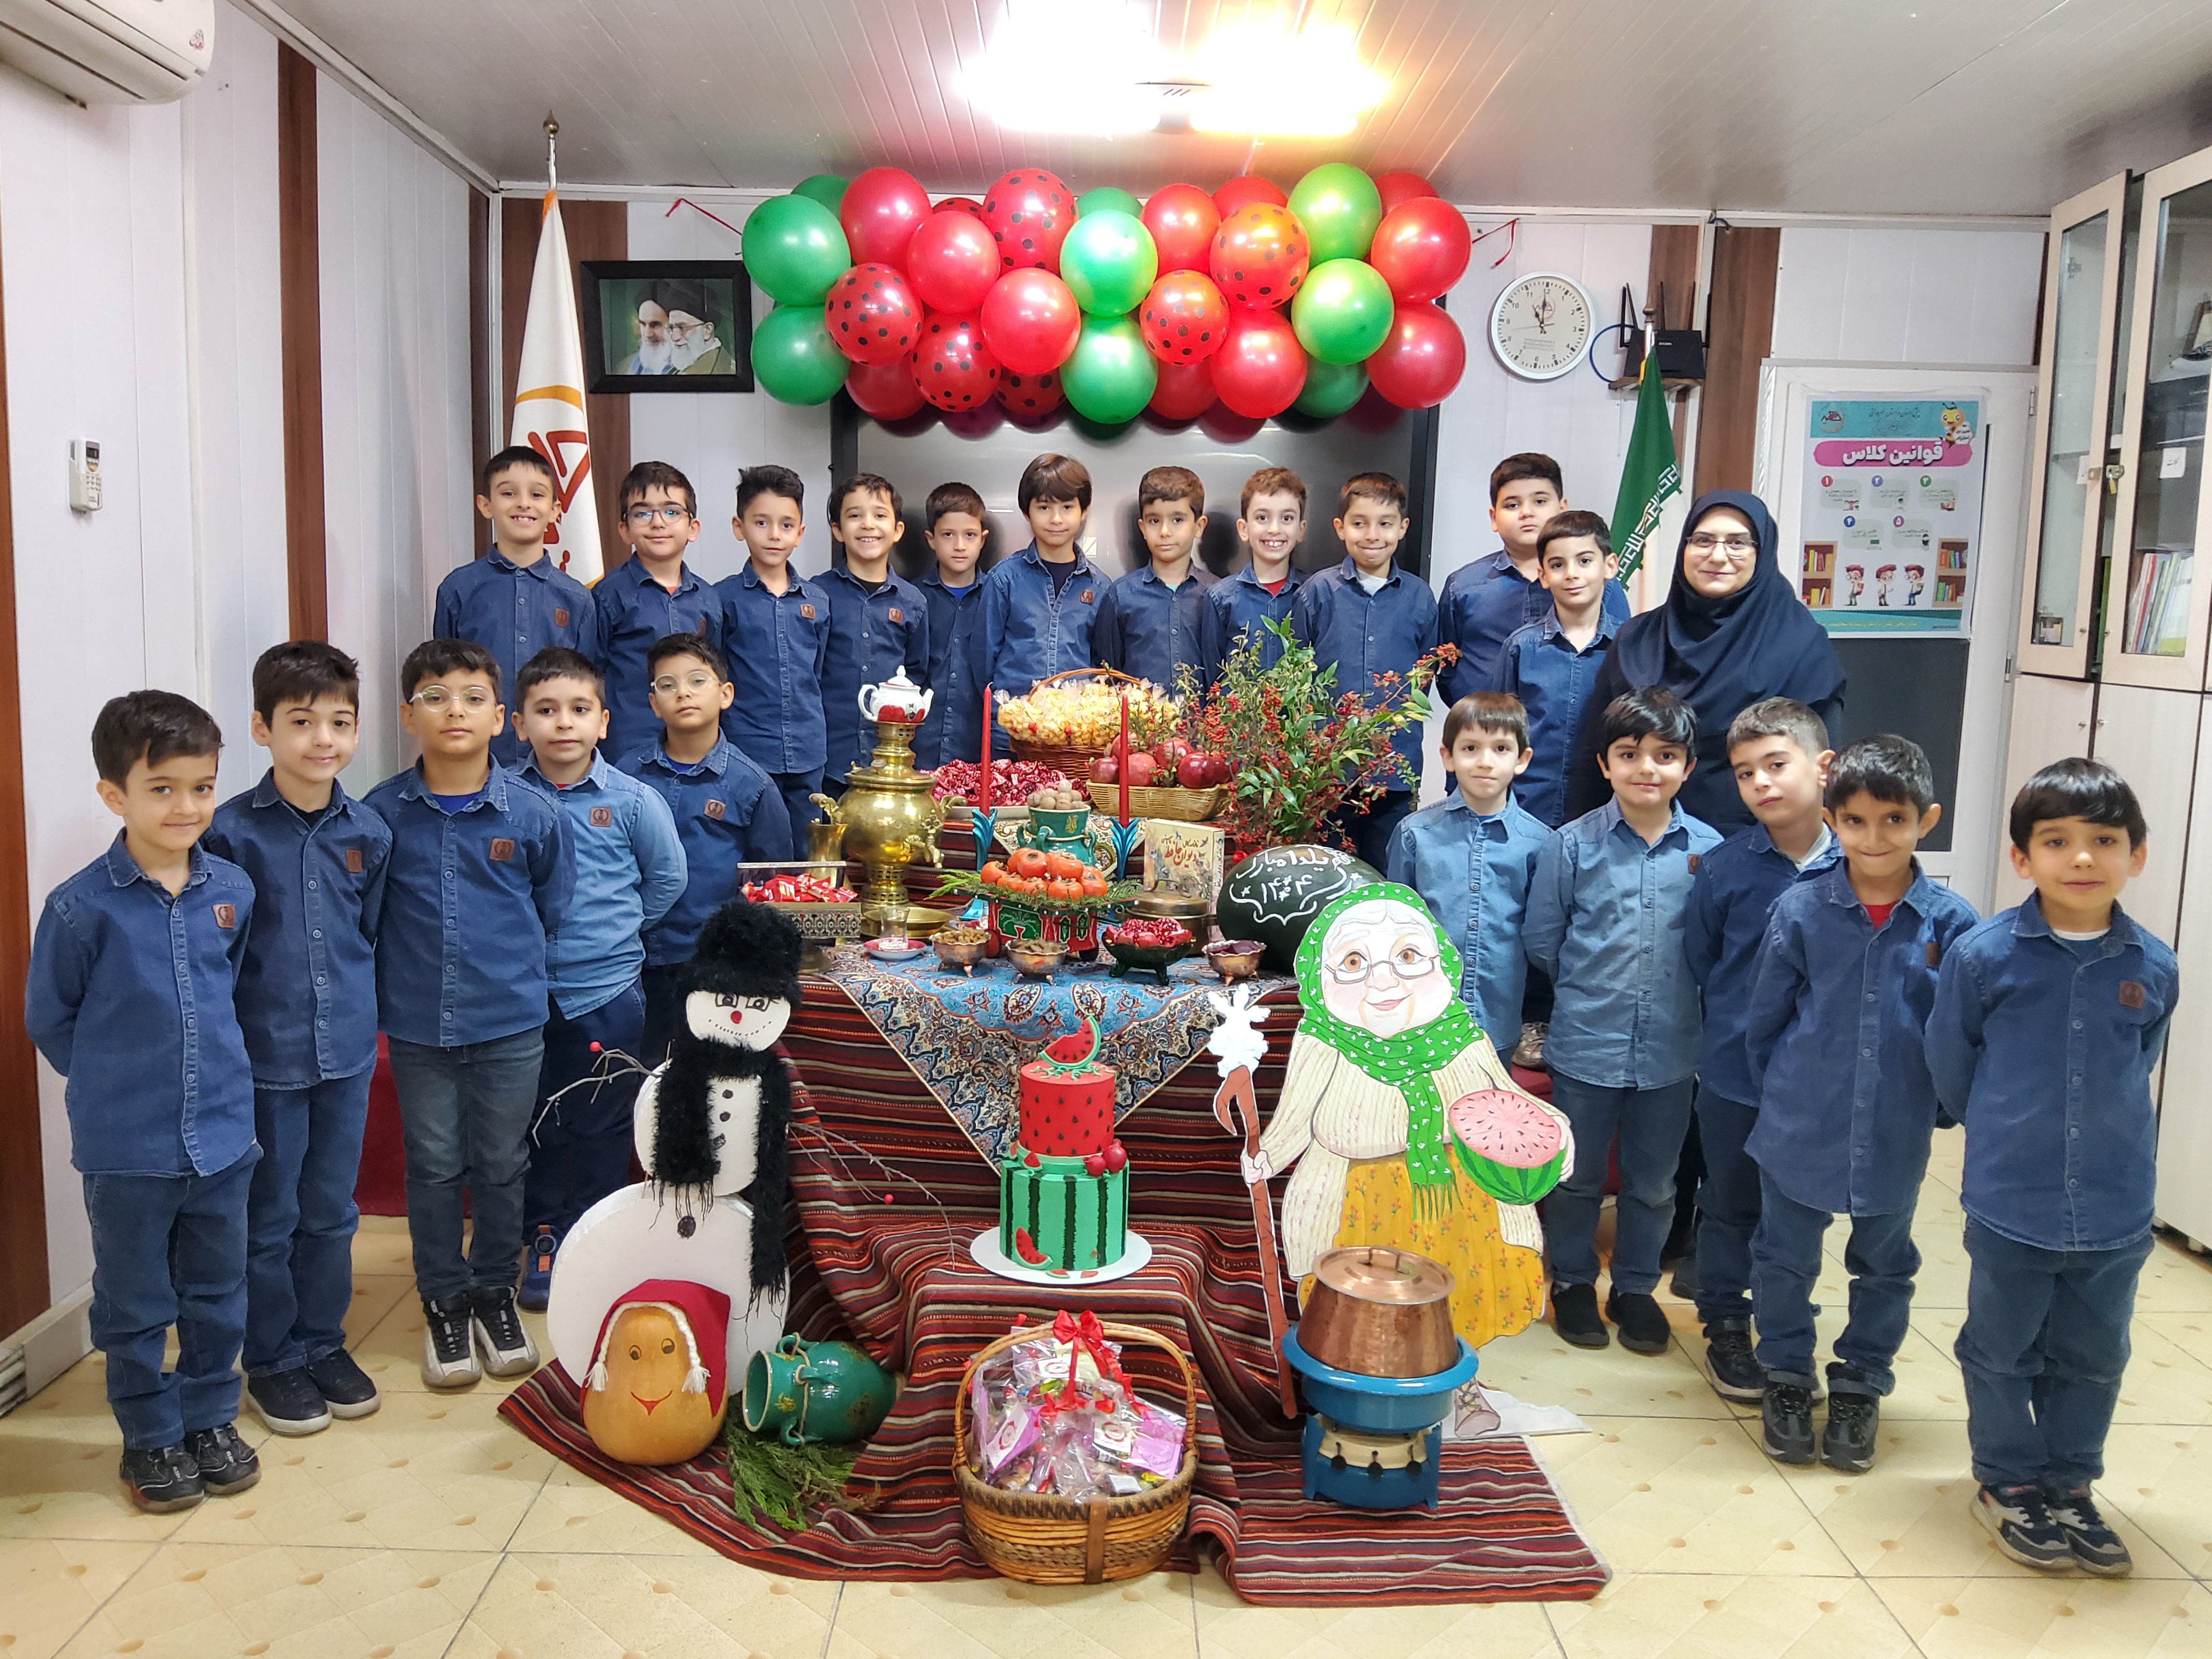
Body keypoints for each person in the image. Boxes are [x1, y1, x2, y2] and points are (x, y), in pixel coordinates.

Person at [1930, 759, 2176, 1577]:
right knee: (2001, 1349)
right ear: (2021, 857)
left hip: (2115, 1204)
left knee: (2095, 1356)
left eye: (2104, 840)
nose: (2082, 858)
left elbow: (2138, 1060)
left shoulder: (2153, 966)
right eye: (2057, 841)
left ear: (2136, 855)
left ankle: (2072, 1483)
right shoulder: (1982, 957)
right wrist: (2006, 1132)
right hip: (2013, 1198)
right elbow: (1952, 1063)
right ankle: (2007, 1482)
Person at [25, 692, 262, 1514]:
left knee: (217, 1293)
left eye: (202, 787)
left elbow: (230, 990)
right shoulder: (79, 908)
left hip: (224, 1140)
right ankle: (151, 1437)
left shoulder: (233, 889)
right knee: (133, 1304)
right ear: (113, 795)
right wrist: (113, 1083)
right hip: (127, 1151)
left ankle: (210, 1421)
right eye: (162, 789)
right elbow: (51, 1018)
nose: (186, 806)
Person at [1742, 736, 1978, 1473]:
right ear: (1833, 819)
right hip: (1799, 1122)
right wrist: (1784, 1096)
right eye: (1855, 821)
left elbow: (1961, 1031)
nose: (1874, 838)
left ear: (1926, 820)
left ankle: (1861, 1382)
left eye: (1894, 820)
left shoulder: (1952, 924)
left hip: (1894, 1129)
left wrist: (1938, 1107)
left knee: (1884, 1265)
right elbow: (1765, 1023)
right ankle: (1787, 1373)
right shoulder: (1800, 909)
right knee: (1783, 1258)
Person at [365, 639, 572, 1392]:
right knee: (432, 1164)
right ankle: (444, 1303)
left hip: (509, 1020)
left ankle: (493, 1294)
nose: (454, 710)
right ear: (408, 716)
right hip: (419, 1022)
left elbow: (552, 905)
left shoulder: (534, 813)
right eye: (435, 696)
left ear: (499, 717)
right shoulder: (379, 815)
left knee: (502, 1162)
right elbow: (368, 916)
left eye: (472, 697)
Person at [200, 644, 392, 1438]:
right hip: (264, 1058)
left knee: (332, 1211)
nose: (323, 739)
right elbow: (213, 954)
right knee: (270, 1215)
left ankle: (322, 1342)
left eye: (340, 723)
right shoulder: (226, 833)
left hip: (345, 1052)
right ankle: (273, 1356)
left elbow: (367, 932)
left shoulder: (370, 832)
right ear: (262, 729)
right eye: (302, 722)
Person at [1523, 686, 1721, 1355]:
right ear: (1605, 764)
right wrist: (1592, 990)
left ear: (1688, 767)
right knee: (1577, 1178)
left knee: (1655, 1182)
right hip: (1587, 1041)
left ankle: (1635, 1287)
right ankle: (1573, 1281)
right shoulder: (1572, 846)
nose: (1647, 768)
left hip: (1672, 1050)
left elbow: (1714, 947)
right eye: (1630, 754)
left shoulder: (1709, 851)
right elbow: (1544, 939)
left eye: (1665, 755)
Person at [512, 647, 686, 1311]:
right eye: (546, 710)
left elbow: (667, 878)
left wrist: (618, 930)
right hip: (523, 994)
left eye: (579, 709)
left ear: (604, 722)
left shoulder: (634, 801)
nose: (564, 723)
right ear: (519, 724)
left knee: (602, 1122)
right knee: (537, 1121)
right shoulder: (506, 798)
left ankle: (595, 1236)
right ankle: (544, 1234)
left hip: (607, 992)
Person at [1683, 698, 1839, 1406]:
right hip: (1734, 1076)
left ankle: (1787, 1331)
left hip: (1818, 1084)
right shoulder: (1724, 868)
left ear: (1823, 766)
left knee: (1798, 1214)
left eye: (1776, 764)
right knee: (1729, 1203)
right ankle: (1724, 1323)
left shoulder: (1861, 865)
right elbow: (1703, 960)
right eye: (1746, 773)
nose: (1761, 784)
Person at [1564, 490, 1845, 832]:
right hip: (1635, 843)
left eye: (1738, 543)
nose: (1718, 556)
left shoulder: (1800, 645)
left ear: (1762, 553)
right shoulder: (1635, 640)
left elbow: (1821, 773)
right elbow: (1593, 756)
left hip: (1760, 846)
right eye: (1703, 541)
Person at [622, 633, 793, 1064]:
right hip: (632, 957)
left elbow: (772, 884)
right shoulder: (626, 776)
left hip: (713, 962)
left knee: (707, 1078)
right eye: (667, 685)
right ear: (654, 703)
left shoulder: (752, 785)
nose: (683, 692)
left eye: (697, 681)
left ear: (725, 694)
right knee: (639, 1073)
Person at [1292, 472, 1439, 870]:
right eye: (1360, 523)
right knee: (1327, 874)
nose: (1372, 535)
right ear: (1341, 528)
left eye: (1385, 524)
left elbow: (1425, 678)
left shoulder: (1419, 597)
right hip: (1328, 773)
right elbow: (1296, 676)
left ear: (1403, 528)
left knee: (1387, 875)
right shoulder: (1318, 592)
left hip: (1394, 772)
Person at [1386, 692, 1548, 1047]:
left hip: (1500, 1019)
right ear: (1448, 756)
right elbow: (1395, 924)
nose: (1485, 762)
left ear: (1522, 760)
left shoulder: (1540, 843)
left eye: (1501, 749)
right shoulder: (1415, 835)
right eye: (1470, 748)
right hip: (1423, 1019)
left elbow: (1541, 935)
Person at [434, 446, 598, 768]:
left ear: (555, 510)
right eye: (509, 493)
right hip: (479, 758)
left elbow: (586, 686)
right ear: (486, 505)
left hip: (554, 760)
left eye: (537, 495)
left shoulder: (577, 599)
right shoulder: (459, 589)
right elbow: (444, 679)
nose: (524, 503)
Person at [1438, 454, 1629, 704]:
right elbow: (1446, 666)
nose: (1526, 513)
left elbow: (1621, 651)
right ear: (1494, 518)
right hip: (1485, 723)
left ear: (1562, 508)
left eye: (1540, 501)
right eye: (1512, 505)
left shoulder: (1598, 584)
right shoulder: (1463, 586)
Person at [967, 454, 1107, 758]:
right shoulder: (1004, 578)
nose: (1056, 519)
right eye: (1044, 507)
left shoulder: (1100, 587)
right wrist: (1008, 712)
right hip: (1010, 735)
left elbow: (1103, 665)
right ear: (1026, 512)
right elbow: (983, 659)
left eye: (1067, 507)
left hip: (1074, 739)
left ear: (1084, 511)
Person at [1492, 511, 1623, 832]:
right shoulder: (1521, 647)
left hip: (1606, 815)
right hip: (1528, 810)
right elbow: (1498, 732)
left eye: (1585, 561)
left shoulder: (1631, 645)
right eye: (1557, 565)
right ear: (1543, 575)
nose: (1572, 574)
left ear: (1609, 566)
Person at [719, 465, 833, 835]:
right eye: (761, 523)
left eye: (786, 525)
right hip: (747, 749)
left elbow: (817, 673)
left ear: (800, 533)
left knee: (807, 850)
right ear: (739, 527)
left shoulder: (818, 600)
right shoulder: (722, 598)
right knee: (755, 848)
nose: (774, 535)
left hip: (808, 750)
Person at [592, 460, 724, 764]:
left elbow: (715, 672)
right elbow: (591, 673)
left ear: (693, 528)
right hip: (629, 746)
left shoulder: (708, 599)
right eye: (642, 513)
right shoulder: (609, 595)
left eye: (672, 512)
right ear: (625, 530)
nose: (658, 523)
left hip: (696, 747)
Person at [820, 473, 930, 787]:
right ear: (838, 530)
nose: (868, 525)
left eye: (880, 516)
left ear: (897, 531)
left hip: (891, 761)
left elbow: (917, 674)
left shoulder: (914, 602)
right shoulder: (817, 596)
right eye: (855, 516)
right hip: (827, 760)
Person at [1093, 465, 1216, 692]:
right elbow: (1107, 678)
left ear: (1199, 526)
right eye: (1154, 521)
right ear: (1142, 527)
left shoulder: (1216, 596)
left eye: (1177, 520)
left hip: (1201, 716)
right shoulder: (1120, 597)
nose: (1165, 532)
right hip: (1138, 716)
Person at [1198, 466, 1307, 685]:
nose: (1274, 529)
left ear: (1301, 530)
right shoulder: (1221, 598)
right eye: (1262, 517)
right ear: (1243, 529)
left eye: (1287, 518)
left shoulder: (1314, 594)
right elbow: (1214, 681)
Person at [913, 482, 989, 771]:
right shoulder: (912, 598)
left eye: (969, 535)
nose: (959, 545)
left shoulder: (997, 597)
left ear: (982, 539)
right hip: (921, 747)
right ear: (931, 539)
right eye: (948, 535)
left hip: (978, 747)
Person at [665, 281, 735, 375]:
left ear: (707, 330)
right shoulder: (684, 370)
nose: (675, 338)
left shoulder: (721, 371)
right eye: (671, 328)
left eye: (682, 328)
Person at [618, 296, 672, 376]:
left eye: (655, 325)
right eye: (643, 324)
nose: (648, 334)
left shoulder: (687, 367)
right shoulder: (628, 366)